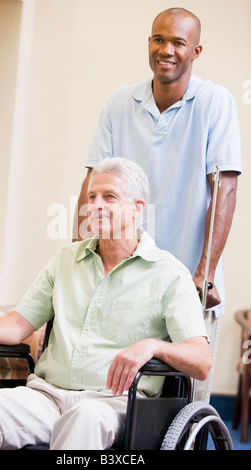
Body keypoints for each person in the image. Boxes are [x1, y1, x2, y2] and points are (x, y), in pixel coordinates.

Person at [0, 158, 211, 450]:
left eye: (109, 196)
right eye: (92, 197)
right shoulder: (65, 260)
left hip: (113, 404)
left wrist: (153, 345)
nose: (95, 205)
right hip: (46, 396)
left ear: (138, 208)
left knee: (84, 417)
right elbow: (18, 323)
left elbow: (201, 361)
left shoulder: (168, 274)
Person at [74, 8, 241, 402]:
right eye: (158, 39)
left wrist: (208, 271)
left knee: (186, 402)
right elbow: (91, 184)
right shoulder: (120, 103)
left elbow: (224, 187)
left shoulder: (215, 102)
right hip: (127, 279)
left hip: (188, 280)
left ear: (195, 51)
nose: (166, 50)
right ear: (149, 42)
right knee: (118, 400)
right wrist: (82, 259)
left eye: (178, 42)